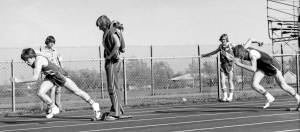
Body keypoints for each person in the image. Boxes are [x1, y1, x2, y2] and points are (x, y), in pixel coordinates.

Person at [13, 48, 101, 119]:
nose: (26, 62)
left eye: (26, 60)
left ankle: (94, 105)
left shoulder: (38, 61)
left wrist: (19, 80)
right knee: (40, 93)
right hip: (51, 77)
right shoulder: (35, 55)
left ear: (32, 57)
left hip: (59, 75)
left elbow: (35, 78)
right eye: (24, 60)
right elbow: (41, 53)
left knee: (77, 91)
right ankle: (53, 107)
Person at [232, 45, 300, 109]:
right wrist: (258, 41)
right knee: (254, 84)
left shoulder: (252, 55)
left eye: (239, 56)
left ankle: (298, 98)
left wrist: (239, 64)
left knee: (283, 86)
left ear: (242, 53)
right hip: (262, 68)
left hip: (272, 67)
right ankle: (269, 97)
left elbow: (253, 69)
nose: (240, 58)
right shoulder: (244, 48)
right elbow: (250, 39)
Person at [96, 15, 127, 120]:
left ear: (104, 24)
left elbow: (117, 44)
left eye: (100, 26)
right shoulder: (109, 31)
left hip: (113, 62)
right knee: (114, 86)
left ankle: (116, 112)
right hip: (112, 62)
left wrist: (109, 56)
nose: (99, 28)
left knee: (112, 87)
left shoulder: (110, 31)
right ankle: (117, 109)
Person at [201, 34, 236, 102]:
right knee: (222, 81)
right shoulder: (220, 46)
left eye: (224, 39)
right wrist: (205, 55)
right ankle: (225, 96)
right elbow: (214, 52)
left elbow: (237, 49)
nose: (223, 41)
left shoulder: (230, 45)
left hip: (230, 65)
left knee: (230, 81)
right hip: (222, 65)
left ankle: (230, 96)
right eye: (221, 40)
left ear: (226, 40)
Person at [39, 35, 63, 112]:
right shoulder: (43, 51)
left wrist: (62, 69)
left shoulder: (55, 51)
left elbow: (60, 60)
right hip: (50, 72)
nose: (52, 44)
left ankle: (58, 105)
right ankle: (51, 107)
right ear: (47, 42)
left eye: (53, 42)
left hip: (58, 71)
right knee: (52, 90)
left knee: (58, 90)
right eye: (50, 42)